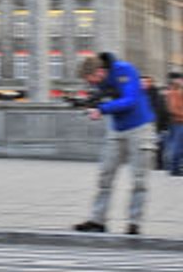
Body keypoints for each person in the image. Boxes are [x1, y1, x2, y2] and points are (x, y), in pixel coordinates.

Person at [73, 51, 156, 235]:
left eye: (92, 79)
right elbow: (104, 97)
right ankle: (97, 220)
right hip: (116, 129)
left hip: (140, 128)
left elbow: (130, 100)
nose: (92, 83)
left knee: (139, 179)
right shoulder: (99, 81)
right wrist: (90, 104)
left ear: (100, 71)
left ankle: (134, 223)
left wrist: (102, 109)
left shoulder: (125, 70)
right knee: (105, 175)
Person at [141, 75, 170, 170]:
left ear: (151, 83)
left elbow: (162, 110)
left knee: (158, 146)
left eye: (146, 82)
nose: (143, 84)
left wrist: (162, 126)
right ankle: (144, 164)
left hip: (154, 123)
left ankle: (159, 165)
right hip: (141, 124)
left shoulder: (157, 95)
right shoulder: (137, 94)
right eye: (141, 82)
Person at [164, 71, 183, 177]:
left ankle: (174, 167)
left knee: (175, 145)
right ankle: (174, 169)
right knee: (177, 146)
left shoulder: (174, 90)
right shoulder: (174, 91)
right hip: (178, 122)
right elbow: (173, 109)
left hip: (176, 121)